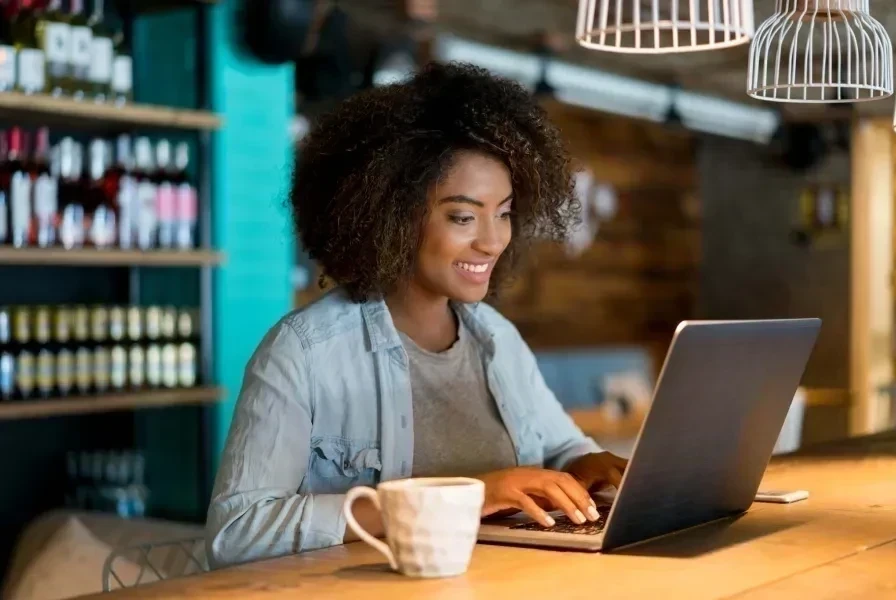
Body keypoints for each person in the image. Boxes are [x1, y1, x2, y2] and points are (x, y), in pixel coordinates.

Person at [206, 62, 628, 569]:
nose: (492, 240)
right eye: (463, 216)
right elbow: (234, 533)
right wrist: (466, 496)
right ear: (391, 214)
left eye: (505, 213)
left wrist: (592, 465)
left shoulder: (497, 339)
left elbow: (561, 447)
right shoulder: (304, 351)